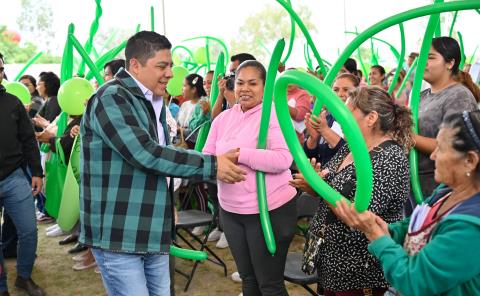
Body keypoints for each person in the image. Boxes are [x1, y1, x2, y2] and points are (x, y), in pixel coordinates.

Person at [80, 31, 245, 296]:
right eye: (161, 66)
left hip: (153, 226)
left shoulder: (151, 100)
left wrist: (169, 208)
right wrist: (212, 165)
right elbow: (145, 154)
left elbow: (158, 162)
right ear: (135, 65)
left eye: (170, 65)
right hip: (120, 232)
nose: (170, 73)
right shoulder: (112, 98)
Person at [333, 110, 480, 296]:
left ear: (470, 160)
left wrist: (377, 236)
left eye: (441, 148)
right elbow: (418, 225)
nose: (433, 156)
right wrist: (386, 229)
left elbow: (415, 281)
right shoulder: (446, 192)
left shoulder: (472, 227)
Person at [290, 87, 414, 295]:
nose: (339, 121)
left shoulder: (390, 158)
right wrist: (314, 184)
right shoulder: (353, 147)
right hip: (332, 262)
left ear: (371, 118)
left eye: (346, 114)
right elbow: (329, 187)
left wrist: (319, 186)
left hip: (359, 271)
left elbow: (358, 215)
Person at [203, 60, 297, 296]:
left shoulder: (275, 114)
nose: (245, 88)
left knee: (269, 284)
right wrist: (218, 164)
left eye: (253, 83)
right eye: (240, 82)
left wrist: (240, 155)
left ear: (265, 87)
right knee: (248, 279)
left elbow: (283, 159)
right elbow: (207, 157)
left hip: (268, 210)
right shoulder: (223, 119)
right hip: (231, 211)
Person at [0, 53, 45, 296]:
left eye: (0, 69)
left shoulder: (13, 103)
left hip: (14, 177)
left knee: (28, 230)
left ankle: (24, 277)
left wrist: (36, 172)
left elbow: (29, 140)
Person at [413, 36, 479, 201]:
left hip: (439, 188)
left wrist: (408, 137)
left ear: (450, 63)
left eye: (430, 57)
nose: (423, 63)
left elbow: (456, 148)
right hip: (414, 183)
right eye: (421, 58)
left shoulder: (459, 96)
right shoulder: (421, 96)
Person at [303, 73, 359, 165]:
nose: (340, 94)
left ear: (357, 92)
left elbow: (355, 155)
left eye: (346, 90)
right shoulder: (327, 118)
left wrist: (325, 131)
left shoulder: (361, 121)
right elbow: (310, 156)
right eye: (335, 90)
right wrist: (313, 138)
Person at [211, 53, 256, 120]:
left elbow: (244, 121)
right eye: (229, 73)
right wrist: (221, 94)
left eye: (234, 72)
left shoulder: (256, 94)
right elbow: (215, 118)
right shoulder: (229, 89)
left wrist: (231, 99)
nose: (229, 76)